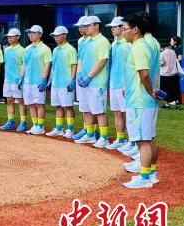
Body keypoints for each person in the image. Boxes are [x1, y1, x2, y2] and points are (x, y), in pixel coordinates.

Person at [121, 13, 164, 188]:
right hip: (145, 101)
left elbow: (144, 74)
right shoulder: (147, 44)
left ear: (136, 30)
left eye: (125, 29)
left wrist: (150, 92)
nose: (123, 32)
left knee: (143, 141)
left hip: (140, 100)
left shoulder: (138, 47)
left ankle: (144, 177)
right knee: (149, 138)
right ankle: (151, 173)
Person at [76, 16, 112, 147]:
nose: (85, 28)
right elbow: (80, 59)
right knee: (86, 109)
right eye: (85, 26)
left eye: (88, 25)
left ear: (97, 26)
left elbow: (102, 61)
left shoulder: (102, 41)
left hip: (97, 82)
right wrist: (79, 73)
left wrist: (89, 76)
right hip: (84, 82)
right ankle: (90, 134)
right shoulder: (85, 41)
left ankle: (104, 137)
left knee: (99, 111)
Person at [20, 25, 52, 135]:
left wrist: (44, 79)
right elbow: (24, 63)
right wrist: (21, 76)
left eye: (33, 33)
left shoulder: (45, 49)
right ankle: (35, 125)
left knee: (39, 104)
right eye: (29, 33)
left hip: (38, 81)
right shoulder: (27, 48)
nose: (30, 35)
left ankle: (41, 126)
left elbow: (47, 64)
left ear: (40, 34)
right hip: (28, 81)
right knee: (31, 104)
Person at [46, 26, 77, 138]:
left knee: (68, 106)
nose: (55, 37)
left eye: (58, 35)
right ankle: (59, 128)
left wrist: (72, 80)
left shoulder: (71, 49)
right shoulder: (55, 50)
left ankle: (70, 129)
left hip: (66, 83)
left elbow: (74, 65)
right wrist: (50, 80)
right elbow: (53, 67)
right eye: (54, 36)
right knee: (58, 106)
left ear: (64, 35)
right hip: (56, 83)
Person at [106, 17, 130, 148]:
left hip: (124, 84)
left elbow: (130, 66)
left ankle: (131, 141)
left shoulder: (128, 44)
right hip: (114, 83)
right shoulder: (113, 44)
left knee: (127, 113)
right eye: (112, 27)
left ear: (122, 28)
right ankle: (120, 139)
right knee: (117, 112)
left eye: (115, 27)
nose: (112, 29)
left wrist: (127, 83)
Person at [0, 28, 27, 132]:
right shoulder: (6, 50)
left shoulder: (22, 50)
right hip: (8, 79)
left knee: (20, 101)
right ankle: (10, 121)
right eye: (8, 37)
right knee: (9, 100)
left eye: (11, 36)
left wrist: (21, 77)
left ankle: (23, 122)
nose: (9, 38)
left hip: (17, 79)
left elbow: (25, 64)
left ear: (18, 37)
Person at [160, 42, 181, 109]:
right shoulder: (173, 52)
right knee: (174, 90)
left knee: (165, 90)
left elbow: (162, 63)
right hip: (174, 74)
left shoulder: (162, 53)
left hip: (165, 74)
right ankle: (177, 104)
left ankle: (167, 104)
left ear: (163, 47)